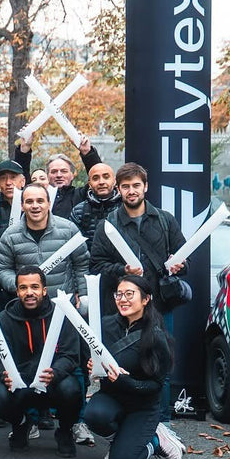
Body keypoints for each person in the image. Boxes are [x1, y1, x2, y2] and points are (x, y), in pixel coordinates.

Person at [88, 162, 188, 422]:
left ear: (145, 187)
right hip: (123, 309)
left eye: (135, 185)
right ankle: (127, 422)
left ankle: (163, 423)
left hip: (159, 306)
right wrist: (123, 270)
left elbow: (184, 258)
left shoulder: (165, 220)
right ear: (118, 189)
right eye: (125, 187)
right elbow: (96, 265)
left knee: (160, 368)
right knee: (122, 365)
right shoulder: (108, 224)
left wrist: (180, 265)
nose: (131, 191)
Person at [83, 275, 185, 459]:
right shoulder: (105, 324)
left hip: (142, 406)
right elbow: (95, 357)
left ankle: (155, 441)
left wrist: (124, 380)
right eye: (119, 294)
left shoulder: (156, 335)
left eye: (130, 294)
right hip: (112, 397)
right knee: (93, 415)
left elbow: (156, 385)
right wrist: (93, 365)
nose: (123, 299)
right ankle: (123, 440)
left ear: (146, 299)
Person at [0, 267, 83, 457]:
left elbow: (71, 355)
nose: (29, 292)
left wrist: (55, 372)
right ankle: (21, 423)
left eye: (34, 287)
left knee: (72, 390)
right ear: (17, 292)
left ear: (44, 290)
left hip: (53, 381)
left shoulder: (61, 314)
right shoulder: (4, 319)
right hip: (20, 383)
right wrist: (4, 375)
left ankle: (64, 431)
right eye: (23, 288)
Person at [0, 184, 89, 300]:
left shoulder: (69, 230)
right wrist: (21, 286)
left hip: (63, 305)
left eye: (40, 201)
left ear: (49, 204)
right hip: (27, 305)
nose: (35, 206)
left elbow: (82, 265)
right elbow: (2, 269)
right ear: (22, 206)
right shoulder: (10, 235)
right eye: (29, 201)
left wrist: (83, 294)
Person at [70, 163, 120, 246]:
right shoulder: (79, 211)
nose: (101, 182)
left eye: (106, 177)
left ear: (114, 181)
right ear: (89, 184)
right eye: (95, 178)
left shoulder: (126, 207)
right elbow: (75, 247)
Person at [0, 160, 26, 232]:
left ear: (23, 182)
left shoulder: (32, 208)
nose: (8, 182)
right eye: (3, 178)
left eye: (13, 177)